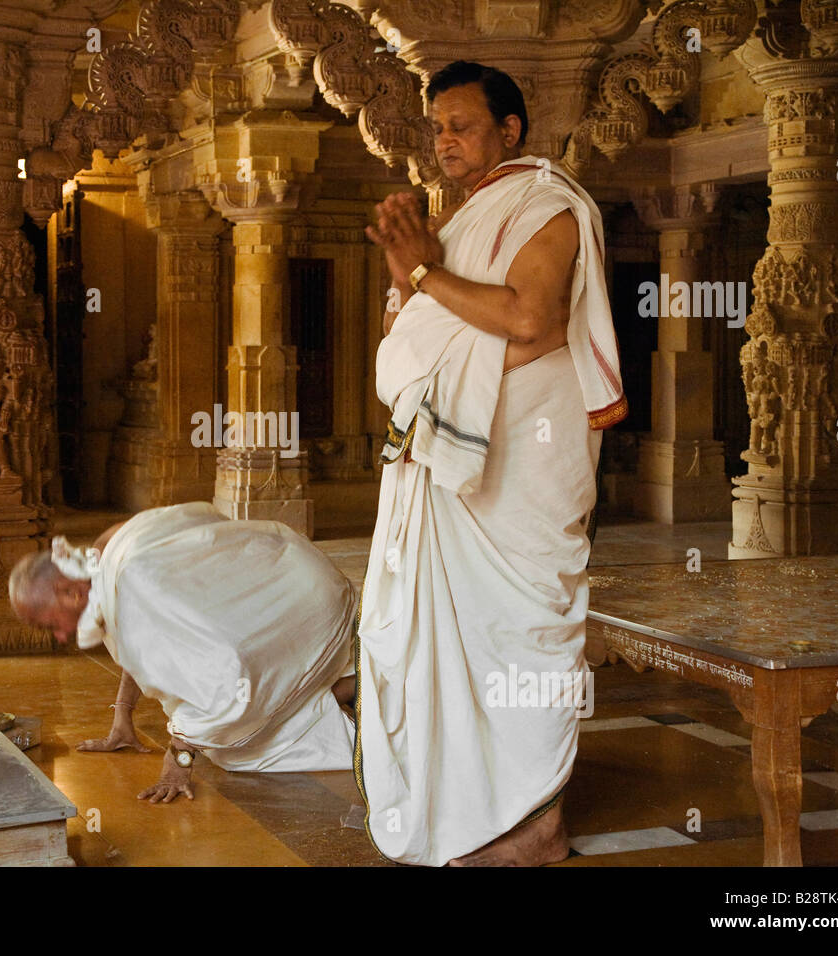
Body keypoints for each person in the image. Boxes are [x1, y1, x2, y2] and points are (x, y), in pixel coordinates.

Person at [358, 59, 626, 866]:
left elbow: (529, 318)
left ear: (509, 130)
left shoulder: (547, 207)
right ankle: (468, 810)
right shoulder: (467, 218)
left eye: (461, 124)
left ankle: (538, 828)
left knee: (515, 632)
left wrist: (426, 271)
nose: (443, 140)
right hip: (451, 466)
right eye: (436, 126)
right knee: (448, 638)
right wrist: (411, 270)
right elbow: (418, 325)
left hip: (521, 467)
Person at [8, 502, 358, 803]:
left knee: (231, 747)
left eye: (48, 624)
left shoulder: (134, 592)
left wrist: (178, 764)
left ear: (68, 592)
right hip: (297, 571)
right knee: (213, 723)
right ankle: (340, 679)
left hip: (303, 609)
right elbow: (144, 638)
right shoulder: (105, 552)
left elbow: (223, 679)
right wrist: (123, 714)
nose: (57, 636)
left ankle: (352, 686)